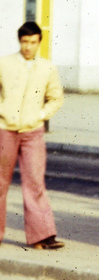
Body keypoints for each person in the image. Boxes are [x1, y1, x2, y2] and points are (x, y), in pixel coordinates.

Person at [0, 21, 65, 249]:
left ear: (39, 42)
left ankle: (41, 236)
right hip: (4, 130)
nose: (28, 47)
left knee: (35, 182)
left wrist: (40, 114)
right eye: (24, 42)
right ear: (19, 41)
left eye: (33, 42)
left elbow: (56, 97)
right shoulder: (4, 63)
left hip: (32, 131)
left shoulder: (47, 68)